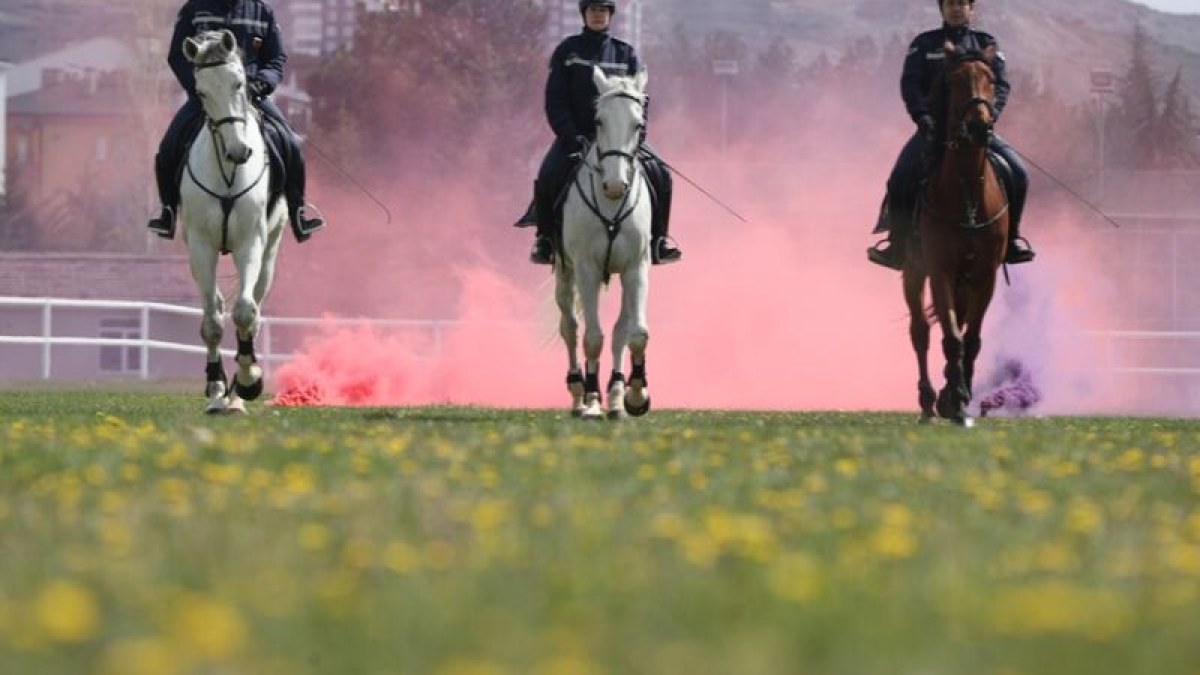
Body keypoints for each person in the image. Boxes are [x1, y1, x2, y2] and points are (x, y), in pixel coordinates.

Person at [867, 0, 1034, 270]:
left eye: (962, 3)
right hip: (933, 131)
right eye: (950, 4)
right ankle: (897, 245)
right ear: (942, 9)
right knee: (900, 178)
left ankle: (1012, 240)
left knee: (1019, 173)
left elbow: (1001, 85)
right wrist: (922, 117)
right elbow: (910, 85)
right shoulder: (924, 44)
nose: (956, 9)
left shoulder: (986, 43)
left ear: (971, 8)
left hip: (978, 130)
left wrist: (989, 115)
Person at [516, 0, 682, 265]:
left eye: (603, 10)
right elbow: (555, 100)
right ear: (584, 14)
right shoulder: (567, 51)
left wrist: (635, 138)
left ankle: (658, 241)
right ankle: (545, 240)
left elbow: (640, 102)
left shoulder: (625, 53)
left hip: (620, 141)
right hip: (576, 136)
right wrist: (570, 136)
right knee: (547, 173)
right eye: (593, 10)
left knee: (662, 174)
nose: (598, 15)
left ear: (610, 15)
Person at [147, 0, 324, 243]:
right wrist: (199, 87)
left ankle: (298, 213)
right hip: (207, 97)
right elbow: (177, 56)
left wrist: (262, 83)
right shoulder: (194, 9)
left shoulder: (262, 11)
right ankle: (167, 213)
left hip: (251, 95)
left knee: (292, 145)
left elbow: (276, 58)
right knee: (168, 148)